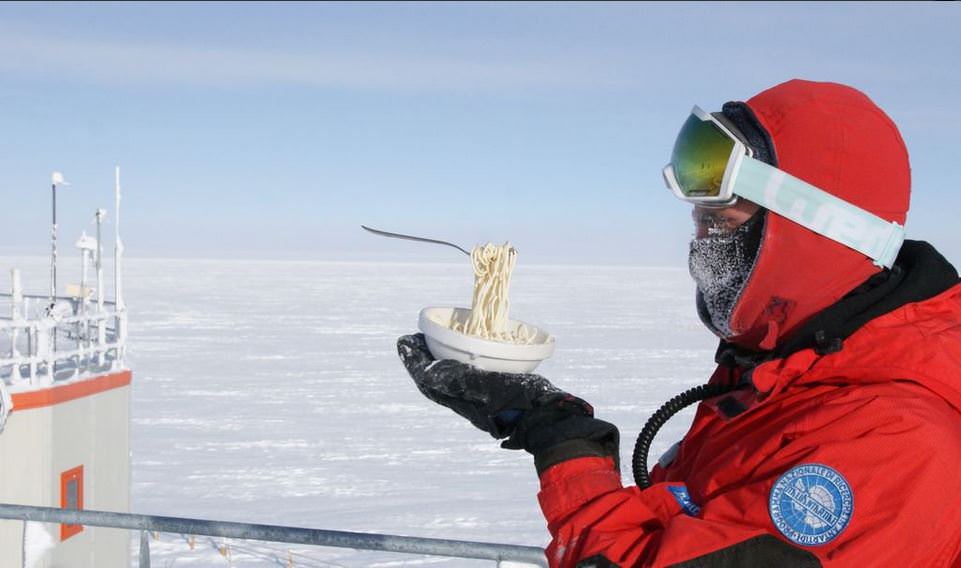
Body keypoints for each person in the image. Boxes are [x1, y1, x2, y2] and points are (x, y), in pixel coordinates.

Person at [397, 79, 961, 567]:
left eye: (718, 222)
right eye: (698, 221)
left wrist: (566, 447)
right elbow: (688, 531)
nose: (699, 246)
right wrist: (552, 420)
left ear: (812, 232)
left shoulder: (892, 446)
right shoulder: (786, 375)